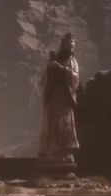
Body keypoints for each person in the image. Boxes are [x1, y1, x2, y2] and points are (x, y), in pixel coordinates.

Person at [38, 32, 80, 165]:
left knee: (66, 127)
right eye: (68, 46)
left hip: (66, 100)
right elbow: (45, 79)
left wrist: (62, 69)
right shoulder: (56, 58)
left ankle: (65, 152)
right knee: (52, 126)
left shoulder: (73, 61)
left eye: (72, 47)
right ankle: (50, 152)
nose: (70, 49)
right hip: (54, 99)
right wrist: (50, 65)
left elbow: (75, 77)